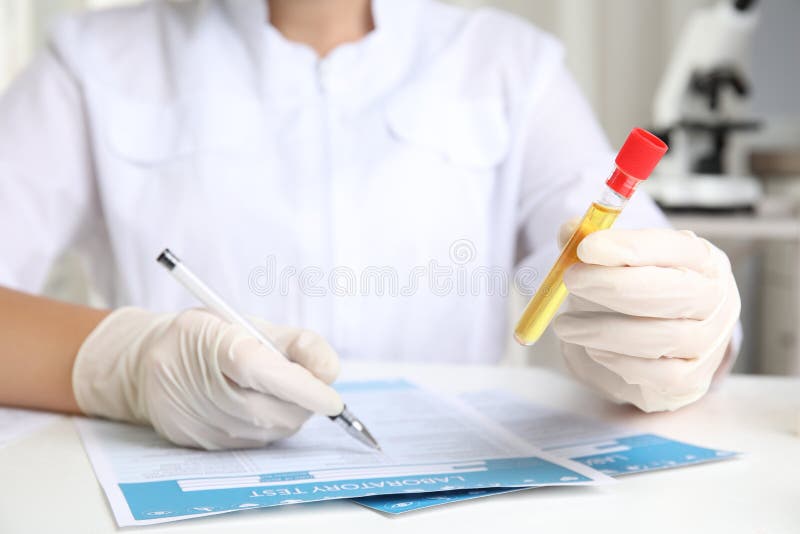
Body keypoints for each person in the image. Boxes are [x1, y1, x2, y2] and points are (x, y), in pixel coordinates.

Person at [0, 0, 740, 450]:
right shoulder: (91, 61)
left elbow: (621, 262)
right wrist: (126, 367)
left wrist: (679, 327)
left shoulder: (507, 64)